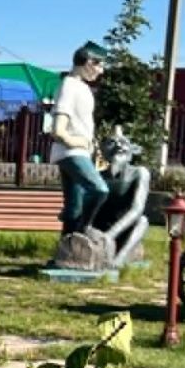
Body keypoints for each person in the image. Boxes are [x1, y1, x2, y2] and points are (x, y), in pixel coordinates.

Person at [50, 43, 108, 233]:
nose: (101, 71)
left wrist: (92, 147)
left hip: (79, 152)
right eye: (99, 65)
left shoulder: (82, 88)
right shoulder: (69, 86)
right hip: (71, 153)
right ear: (88, 62)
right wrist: (80, 142)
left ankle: (67, 248)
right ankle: (85, 230)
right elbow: (58, 130)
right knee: (99, 189)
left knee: (74, 207)